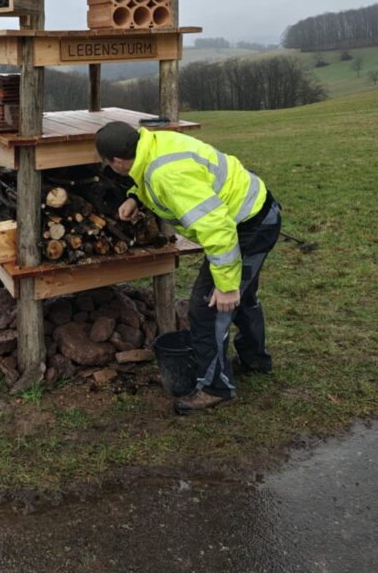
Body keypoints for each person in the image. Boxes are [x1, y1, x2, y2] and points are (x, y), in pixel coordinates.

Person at [95, 121, 281, 415]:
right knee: (242, 297)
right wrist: (135, 198)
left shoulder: (167, 175)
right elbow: (146, 175)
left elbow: (217, 229)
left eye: (106, 162)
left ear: (117, 161)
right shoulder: (151, 144)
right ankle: (255, 360)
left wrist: (226, 285)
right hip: (253, 212)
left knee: (207, 308)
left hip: (248, 227)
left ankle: (215, 388)